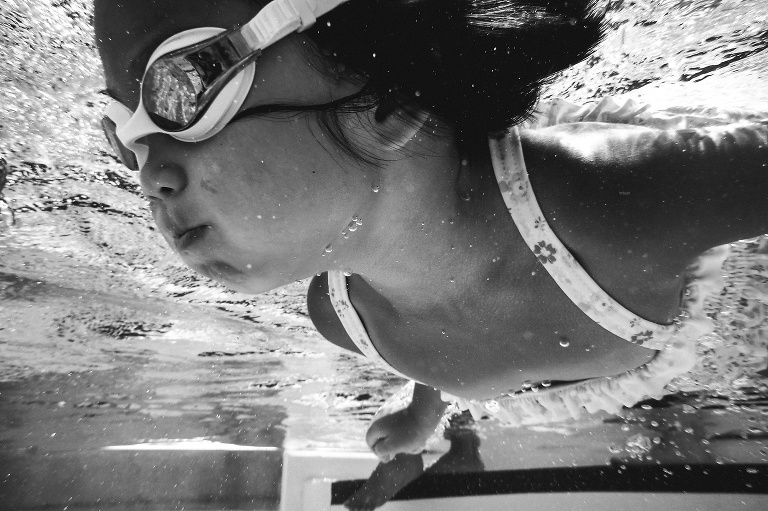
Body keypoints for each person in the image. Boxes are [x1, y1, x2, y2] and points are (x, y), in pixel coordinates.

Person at [94, 0, 768, 472]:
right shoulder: (340, 318)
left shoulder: (612, 209)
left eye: (181, 88)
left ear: (389, 101)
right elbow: (442, 335)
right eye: (118, 132)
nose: (147, 171)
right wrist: (424, 416)